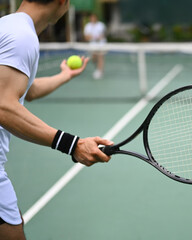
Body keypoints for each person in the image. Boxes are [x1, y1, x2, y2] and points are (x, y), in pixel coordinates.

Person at [0, 0, 114, 239]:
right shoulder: (22, 37)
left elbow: (26, 91)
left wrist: (64, 76)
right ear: (62, 2)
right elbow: (4, 105)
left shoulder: (8, 26)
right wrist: (73, 144)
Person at [83, 13, 107, 80]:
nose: (92, 19)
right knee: (94, 59)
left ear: (96, 18)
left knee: (100, 57)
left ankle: (100, 71)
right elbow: (86, 37)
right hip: (92, 45)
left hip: (101, 44)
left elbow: (104, 35)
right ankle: (98, 68)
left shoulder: (101, 25)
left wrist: (99, 37)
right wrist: (94, 37)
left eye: (94, 17)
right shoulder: (87, 26)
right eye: (91, 17)